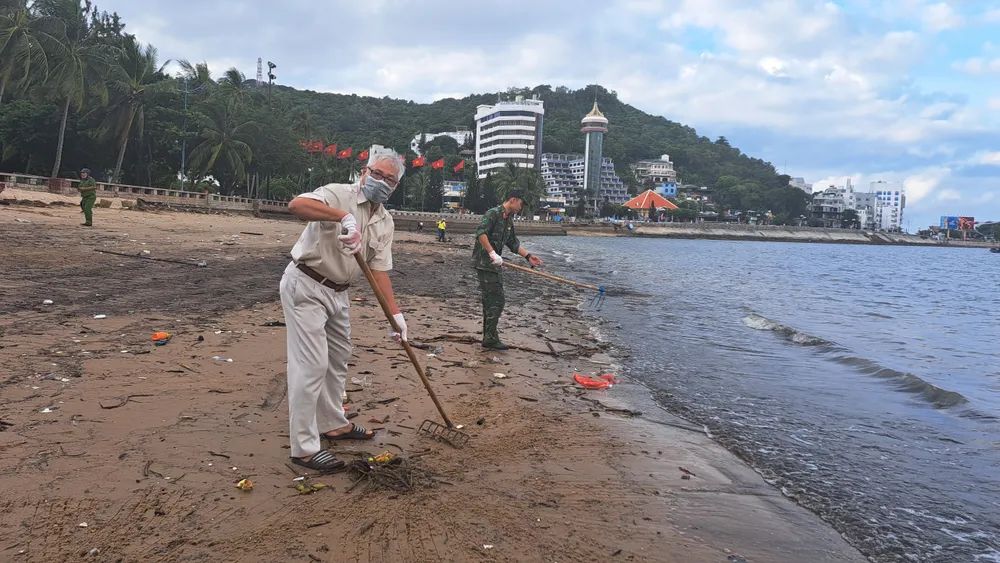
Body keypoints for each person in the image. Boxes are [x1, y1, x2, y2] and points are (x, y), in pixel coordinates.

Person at [280, 147, 408, 473]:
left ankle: (333, 423)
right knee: (311, 365)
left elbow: (379, 270)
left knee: (338, 359)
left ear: (395, 187)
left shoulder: (385, 221)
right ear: (364, 172)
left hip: (339, 292)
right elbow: (297, 205)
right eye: (376, 174)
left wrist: (395, 316)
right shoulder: (339, 194)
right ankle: (304, 448)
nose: (381, 181)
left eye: (389, 179)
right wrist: (341, 217)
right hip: (306, 283)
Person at [472, 191, 544, 350]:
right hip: (485, 263)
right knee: (497, 300)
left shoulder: (508, 219)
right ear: (513, 200)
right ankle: (490, 338)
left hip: (494, 265)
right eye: (520, 204)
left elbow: (512, 242)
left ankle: (489, 337)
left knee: (491, 301)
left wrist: (528, 256)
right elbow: (480, 233)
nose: (521, 207)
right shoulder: (493, 214)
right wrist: (492, 253)